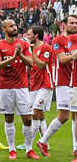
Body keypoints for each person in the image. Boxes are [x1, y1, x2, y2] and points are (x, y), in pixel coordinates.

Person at [0, 19, 36, 159]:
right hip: (5, 87)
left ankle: (29, 149)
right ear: (4, 29)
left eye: (15, 25)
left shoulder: (23, 44)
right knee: (9, 118)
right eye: (11, 26)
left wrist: (20, 55)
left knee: (27, 118)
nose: (14, 28)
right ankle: (12, 149)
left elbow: (31, 63)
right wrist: (12, 58)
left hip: (22, 87)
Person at [36, 15, 77, 158]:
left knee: (74, 116)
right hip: (63, 82)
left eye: (76, 23)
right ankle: (43, 141)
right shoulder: (58, 40)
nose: (74, 25)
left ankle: (75, 148)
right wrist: (74, 55)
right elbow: (62, 59)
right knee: (64, 116)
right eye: (71, 23)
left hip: (74, 81)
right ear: (63, 25)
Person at [26, 25, 55, 153]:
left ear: (36, 35)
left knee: (36, 113)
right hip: (33, 85)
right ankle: (45, 144)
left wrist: (31, 52)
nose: (27, 36)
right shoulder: (31, 49)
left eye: (29, 34)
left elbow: (42, 65)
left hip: (45, 84)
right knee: (41, 115)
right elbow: (31, 66)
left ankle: (30, 145)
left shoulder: (46, 48)